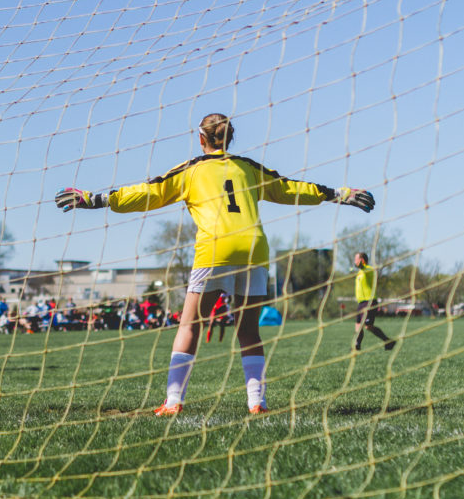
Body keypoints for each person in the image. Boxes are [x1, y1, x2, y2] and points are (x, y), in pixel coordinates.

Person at [55, 112, 376, 415]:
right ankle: (256, 403)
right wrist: (339, 193)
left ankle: (173, 401)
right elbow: (289, 188)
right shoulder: (248, 167)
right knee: (248, 330)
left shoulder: (190, 169)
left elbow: (147, 193)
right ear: (229, 138)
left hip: (214, 250)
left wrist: (95, 200)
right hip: (254, 249)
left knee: (190, 325)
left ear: (201, 139)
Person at [353, 253, 396, 351]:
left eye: (356, 259)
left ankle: (388, 341)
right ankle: (357, 346)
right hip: (361, 303)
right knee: (358, 326)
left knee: (367, 327)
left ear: (362, 260)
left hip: (369, 302)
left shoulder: (368, 269)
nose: (354, 261)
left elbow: (363, 268)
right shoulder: (360, 272)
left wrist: (359, 265)